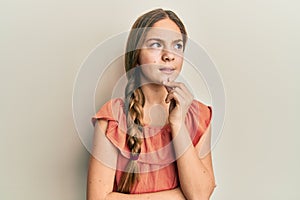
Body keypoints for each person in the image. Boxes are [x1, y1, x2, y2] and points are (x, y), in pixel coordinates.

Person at [87, 8, 216, 200]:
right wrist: (179, 196)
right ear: (136, 55)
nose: (169, 55)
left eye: (177, 46)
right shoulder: (113, 118)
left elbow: (199, 195)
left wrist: (178, 124)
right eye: (156, 44)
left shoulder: (199, 115)